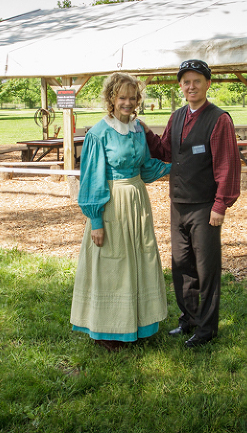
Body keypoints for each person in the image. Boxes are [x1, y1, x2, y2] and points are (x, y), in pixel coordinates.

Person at [70, 72, 171, 352]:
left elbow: (147, 166)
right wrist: (96, 220)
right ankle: (108, 330)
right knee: (112, 265)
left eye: (132, 97)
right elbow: (92, 179)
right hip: (111, 203)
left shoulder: (138, 129)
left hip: (137, 201)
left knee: (139, 259)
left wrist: (177, 166)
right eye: (122, 97)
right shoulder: (98, 133)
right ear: (111, 99)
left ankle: (136, 323)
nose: (127, 102)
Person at [144, 59, 241, 348]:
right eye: (186, 81)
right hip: (179, 204)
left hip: (205, 206)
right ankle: (188, 319)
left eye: (197, 80)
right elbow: (164, 151)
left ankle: (207, 329)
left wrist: (220, 205)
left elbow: (227, 165)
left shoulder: (218, 119)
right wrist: (143, 131)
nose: (191, 86)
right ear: (181, 86)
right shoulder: (176, 117)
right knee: (181, 265)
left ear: (208, 83)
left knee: (206, 268)